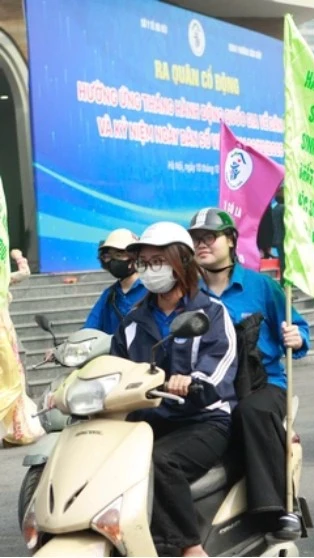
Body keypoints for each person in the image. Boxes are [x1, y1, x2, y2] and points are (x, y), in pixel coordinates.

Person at [111, 221, 238, 557]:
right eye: (144, 263)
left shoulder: (211, 313)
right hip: (150, 421)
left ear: (181, 262)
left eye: (158, 261)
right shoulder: (133, 322)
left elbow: (219, 368)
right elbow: (116, 369)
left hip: (203, 420)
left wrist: (193, 380)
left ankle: (190, 547)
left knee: (160, 461)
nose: (150, 270)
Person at [188, 208, 310, 540]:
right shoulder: (188, 293)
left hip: (263, 383)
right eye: (196, 239)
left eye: (209, 237)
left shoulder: (262, 287)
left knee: (251, 411)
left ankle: (279, 509)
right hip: (210, 388)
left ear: (230, 240)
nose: (201, 244)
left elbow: (298, 328)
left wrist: (297, 337)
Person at [84, 228, 147, 334]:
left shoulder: (150, 290)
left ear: (134, 257)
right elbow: (89, 329)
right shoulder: (109, 295)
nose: (113, 261)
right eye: (109, 256)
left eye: (119, 255)